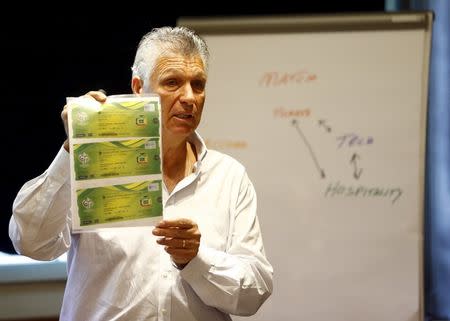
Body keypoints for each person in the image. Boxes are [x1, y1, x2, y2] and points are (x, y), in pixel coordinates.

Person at [9, 26, 273, 320]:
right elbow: (29, 242)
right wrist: (73, 148)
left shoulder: (229, 177)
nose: (189, 97)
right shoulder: (93, 164)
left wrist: (195, 261)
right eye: (172, 83)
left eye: (198, 85)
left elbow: (254, 293)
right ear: (138, 86)